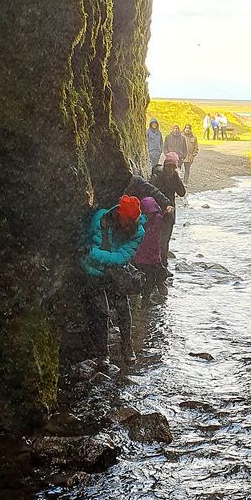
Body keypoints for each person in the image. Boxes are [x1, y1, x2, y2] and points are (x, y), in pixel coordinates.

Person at [80, 194, 145, 363]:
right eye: (128, 221)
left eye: (133, 221)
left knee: (123, 307)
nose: (129, 225)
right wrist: (98, 256)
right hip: (93, 271)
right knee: (101, 312)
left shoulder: (138, 231)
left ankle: (127, 346)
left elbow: (120, 258)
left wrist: (94, 254)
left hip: (113, 272)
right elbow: (91, 246)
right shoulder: (100, 219)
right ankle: (103, 353)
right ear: (120, 214)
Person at [150, 151, 186, 267]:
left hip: (168, 213)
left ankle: (163, 265)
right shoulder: (157, 177)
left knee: (164, 241)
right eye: (169, 166)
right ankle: (160, 265)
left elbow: (182, 192)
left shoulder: (173, 177)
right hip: (158, 213)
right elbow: (152, 193)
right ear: (165, 165)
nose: (171, 169)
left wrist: (177, 178)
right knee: (160, 240)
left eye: (173, 167)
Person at [133, 196, 167, 301]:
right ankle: (141, 297)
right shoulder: (139, 222)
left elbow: (167, 220)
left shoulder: (158, 219)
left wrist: (168, 213)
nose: (150, 214)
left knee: (150, 279)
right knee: (142, 278)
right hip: (142, 256)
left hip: (151, 256)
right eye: (148, 212)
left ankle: (145, 298)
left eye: (152, 212)